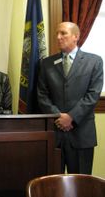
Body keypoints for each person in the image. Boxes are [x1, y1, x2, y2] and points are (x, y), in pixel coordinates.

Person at [37, 22, 103, 174]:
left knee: (81, 185)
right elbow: (42, 95)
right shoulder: (47, 63)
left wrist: (71, 117)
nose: (58, 37)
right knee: (53, 184)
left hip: (81, 133)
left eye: (63, 33)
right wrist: (59, 116)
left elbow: (93, 95)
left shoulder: (94, 61)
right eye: (57, 34)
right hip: (54, 133)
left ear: (76, 36)